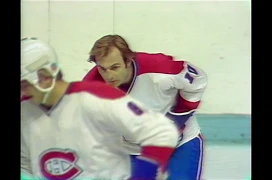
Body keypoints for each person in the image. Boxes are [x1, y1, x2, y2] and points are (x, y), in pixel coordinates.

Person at [21, 37, 179, 180]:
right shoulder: (24, 111)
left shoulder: (96, 97)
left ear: (45, 76)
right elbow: (26, 165)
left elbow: (161, 132)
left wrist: (143, 175)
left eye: (24, 84)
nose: (23, 92)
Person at [82, 35, 208, 180]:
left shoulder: (159, 68)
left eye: (114, 67)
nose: (109, 76)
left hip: (181, 143)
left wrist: (180, 115)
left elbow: (198, 80)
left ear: (128, 61)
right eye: (102, 69)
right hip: (133, 151)